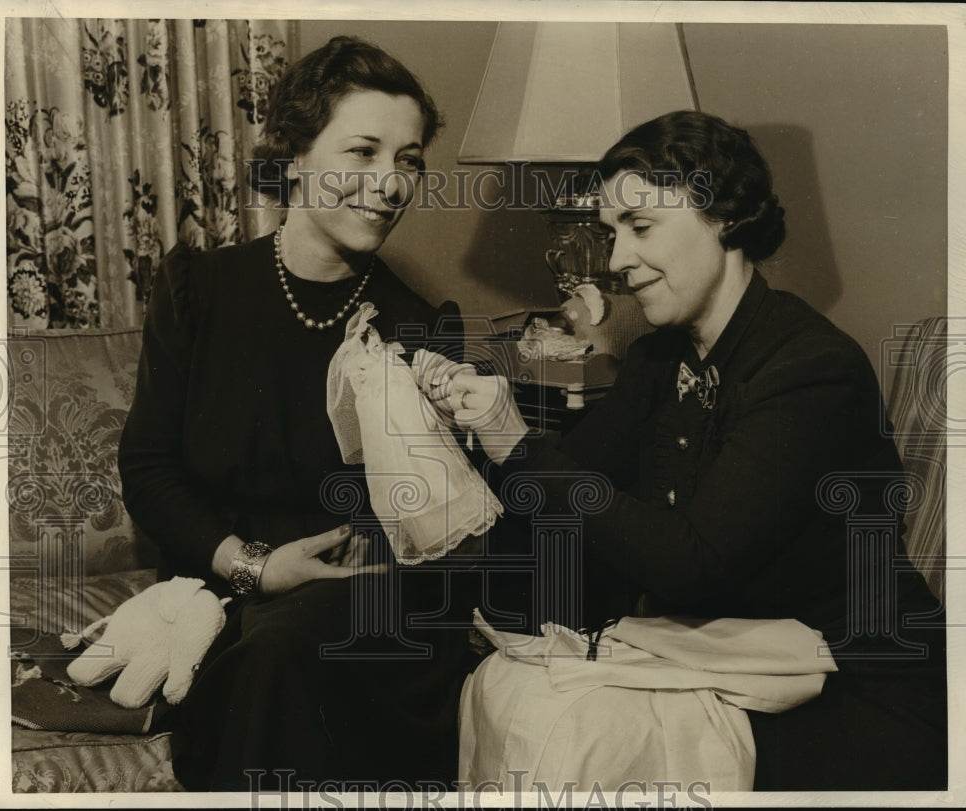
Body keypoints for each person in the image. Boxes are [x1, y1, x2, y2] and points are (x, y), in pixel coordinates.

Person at [442, 110, 946, 791]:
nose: (616, 260)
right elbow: (569, 500)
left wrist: (520, 446)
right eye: (612, 232)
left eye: (640, 227)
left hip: (851, 686)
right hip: (728, 660)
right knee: (513, 691)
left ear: (726, 217)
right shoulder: (657, 360)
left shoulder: (810, 367)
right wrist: (469, 435)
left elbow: (691, 561)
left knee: (575, 739)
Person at [118, 36, 479, 790]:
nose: (389, 184)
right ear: (293, 157)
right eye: (364, 152)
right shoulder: (197, 291)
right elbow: (148, 469)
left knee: (293, 653)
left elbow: (430, 524)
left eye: (407, 161)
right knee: (269, 657)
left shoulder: (419, 325)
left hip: (360, 602)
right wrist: (253, 566)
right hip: (226, 586)